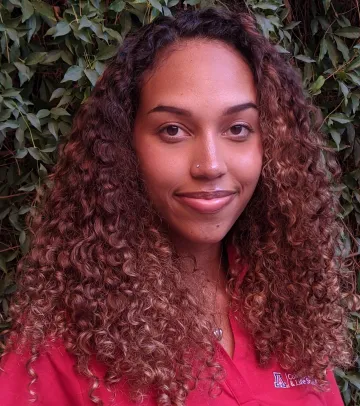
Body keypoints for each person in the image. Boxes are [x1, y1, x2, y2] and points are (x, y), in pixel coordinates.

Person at [0, 7, 353, 406]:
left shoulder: (286, 305)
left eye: (237, 129)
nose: (210, 165)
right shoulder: (66, 344)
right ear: (123, 146)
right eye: (173, 130)